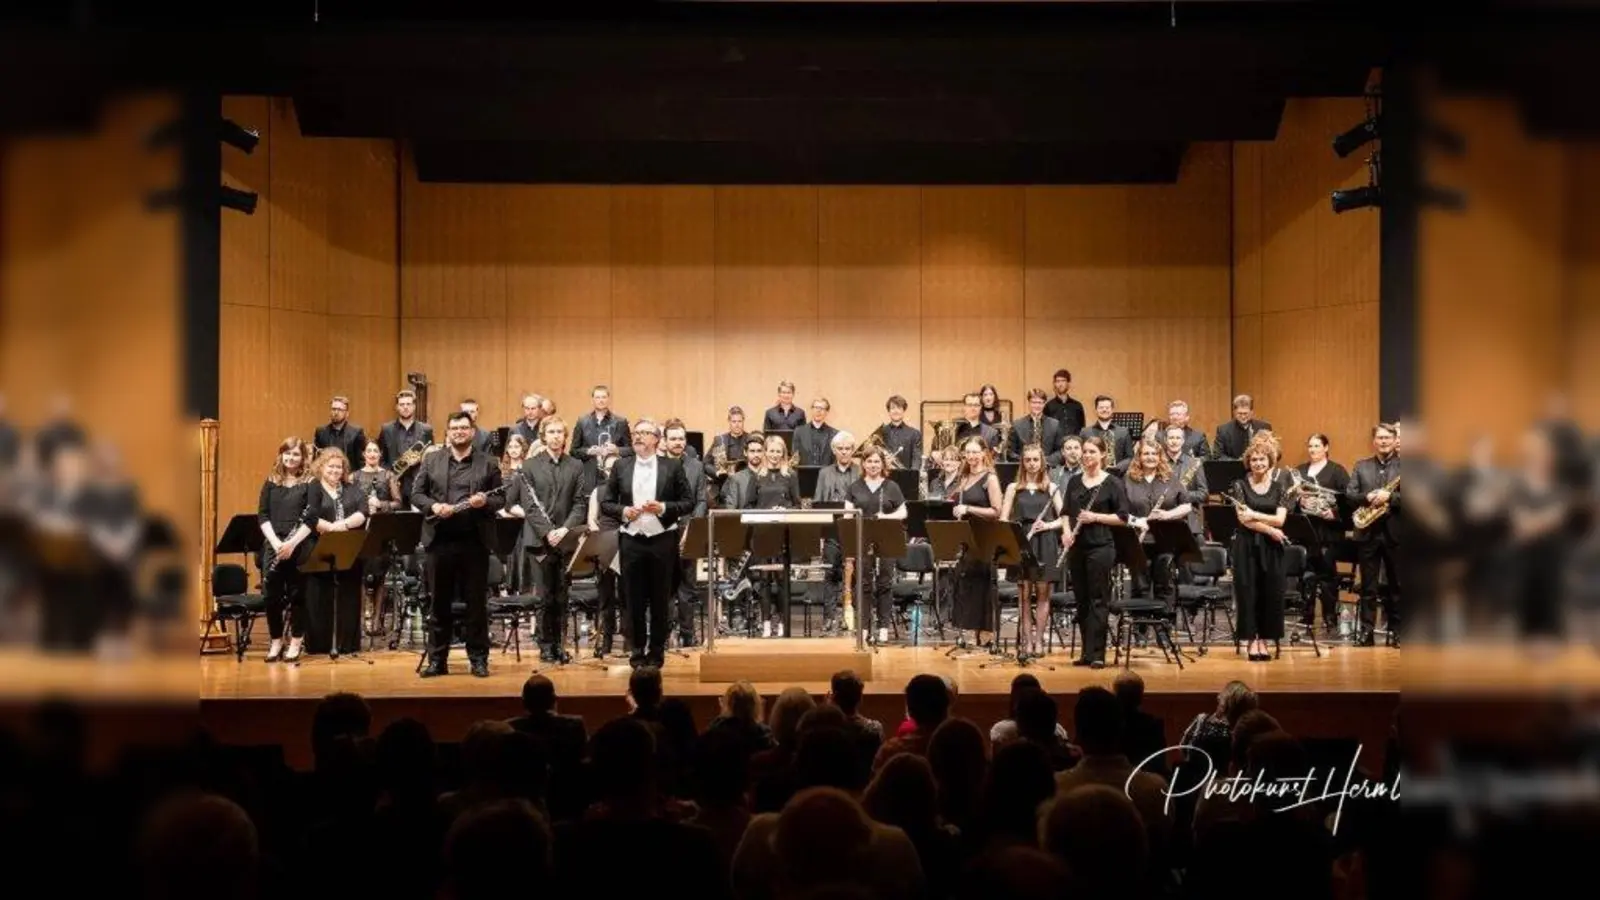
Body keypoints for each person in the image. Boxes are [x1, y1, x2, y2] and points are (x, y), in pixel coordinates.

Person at [411, 411, 505, 678]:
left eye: (464, 427)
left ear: (472, 431)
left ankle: (478, 659)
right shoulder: (431, 460)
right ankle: (437, 660)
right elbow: (417, 494)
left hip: (474, 542)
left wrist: (485, 502)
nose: (459, 432)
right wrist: (435, 506)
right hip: (439, 541)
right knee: (437, 603)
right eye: (454, 428)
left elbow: (501, 498)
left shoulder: (488, 462)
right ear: (448, 431)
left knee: (476, 604)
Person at [602, 419, 694, 669]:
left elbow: (688, 502)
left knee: (661, 599)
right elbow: (606, 503)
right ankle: (637, 650)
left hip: (662, 540)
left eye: (644, 433)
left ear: (656, 439)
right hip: (632, 540)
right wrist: (623, 511)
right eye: (636, 433)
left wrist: (663, 507)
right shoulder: (621, 466)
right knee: (634, 600)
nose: (639, 437)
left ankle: (657, 652)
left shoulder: (672, 466)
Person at [1061, 436, 1128, 668]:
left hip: (1101, 546)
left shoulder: (1112, 483)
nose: (1087, 456)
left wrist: (1095, 517)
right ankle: (1086, 652)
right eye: (1085, 451)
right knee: (1081, 599)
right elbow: (1065, 512)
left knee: (1098, 599)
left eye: (1091, 452)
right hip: (1077, 547)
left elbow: (1122, 517)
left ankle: (1098, 653)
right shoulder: (1074, 482)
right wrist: (1066, 533)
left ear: (1102, 454)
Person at [300, 448, 368, 656]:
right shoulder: (313, 489)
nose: (335, 470)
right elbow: (308, 515)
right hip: (318, 548)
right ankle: (320, 643)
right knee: (320, 595)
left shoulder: (351, 488)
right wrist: (329, 528)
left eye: (339, 467)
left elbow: (363, 512)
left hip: (347, 548)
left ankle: (347, 642)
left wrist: (342, 526)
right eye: (331, 466)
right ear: (321, 467)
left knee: (348, 594)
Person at [1231, 432, 1290, 661]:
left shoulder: (1279, 487)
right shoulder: (1239, 485)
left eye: (1262, 459)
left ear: (1270, 461)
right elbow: (1243, 520)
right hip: (1246, 546)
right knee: (1248, 593)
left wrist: (1257, 515)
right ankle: (1252, 639)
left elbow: (1281, 520)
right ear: (1248, 462)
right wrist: (1271, 530)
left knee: (1270, 593)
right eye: (1254, 460)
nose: (1257, 463)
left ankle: (1265, 639)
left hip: (1272, 549)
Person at [257, 437, 313, 662]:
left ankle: (296, 640)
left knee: (297, 595)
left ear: (303, 458)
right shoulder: (271, 481)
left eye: (296, 454)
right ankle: (276, 640)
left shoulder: (310, 482)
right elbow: (263, 515)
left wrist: (291, 544)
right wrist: (276, 543)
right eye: (287, 453)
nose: (291, 458)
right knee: (271, 597)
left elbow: (312, 518)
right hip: (274, 544)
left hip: (299, 545)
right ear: (281, 455)